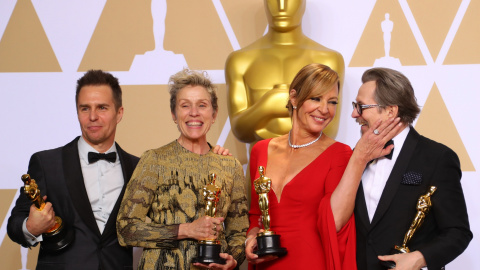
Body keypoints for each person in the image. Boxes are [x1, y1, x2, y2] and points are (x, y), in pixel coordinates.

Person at [245, 63, 401, 269]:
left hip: (312, 261)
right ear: (294, 97)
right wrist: (251, 238)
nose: (325, 110)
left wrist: (359, 158)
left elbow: (337, 221)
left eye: (332, 102)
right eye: (316, 98)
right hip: (266, 263)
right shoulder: (260, 150)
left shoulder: (340, 154)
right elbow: (256, 214)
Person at [117, 68, 249, 270]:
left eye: (202, 105)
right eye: (185, 105)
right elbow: (125, 229)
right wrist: (187, 229)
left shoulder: (230, 166)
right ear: (173, 113)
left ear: (214, 114)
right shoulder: (154, 160)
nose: (194, 112)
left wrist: (233, 259)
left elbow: (238, 233)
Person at [7, 70, 140, 270]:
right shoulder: (46, 162)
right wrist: (31, 227)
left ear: (119, 113)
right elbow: (15, 224)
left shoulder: (139, 167)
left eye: (102, 107)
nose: (93, 116)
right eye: (85, 108)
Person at [352, 67, 472, 270]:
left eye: (361, 106)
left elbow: (458, 232)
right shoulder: (357, 155)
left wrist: (419, 258)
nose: (354, 114)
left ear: (391, 111)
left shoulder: (437, 158)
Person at [225, 0, 345, 146]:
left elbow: (329, 129)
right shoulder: (240, 60)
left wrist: (270, 113)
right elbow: (240, 131)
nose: (282, 6)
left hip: (310, 163)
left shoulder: (329, 60)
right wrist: (268, 105)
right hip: (261, 166)